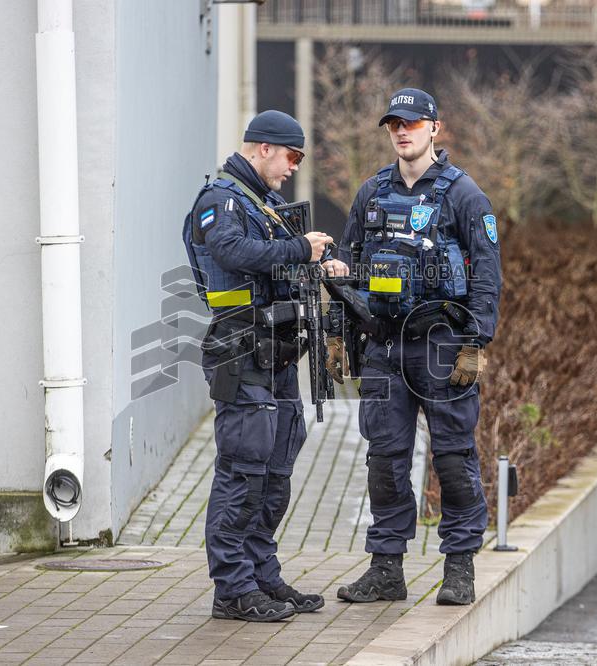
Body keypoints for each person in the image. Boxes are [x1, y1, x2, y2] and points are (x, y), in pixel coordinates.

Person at [329, 88, 502, 606]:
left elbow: (487, 275)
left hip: (442, 345)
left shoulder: (464, 195)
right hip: (384, 346)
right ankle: (386, 569)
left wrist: (477, 343)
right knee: (385, 460)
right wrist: (340, 332)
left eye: (412, 123)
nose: (402, 132)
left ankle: (460, 568)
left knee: (452, 458)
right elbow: (348, 266)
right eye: (393, 125)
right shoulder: (371, 194)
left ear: (434, 128)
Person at [182, 110, 334, 622]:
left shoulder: (264, 204)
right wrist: (297, 247)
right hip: (242, 347)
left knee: (276, 467)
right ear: (263, 148)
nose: (294, 166)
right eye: (292, 156)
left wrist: (316, 262)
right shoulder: (221, 200)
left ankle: (260, 574)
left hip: (277, 349)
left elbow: (275, 260)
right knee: (243, 471)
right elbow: (229, 249)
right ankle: (232, 589)